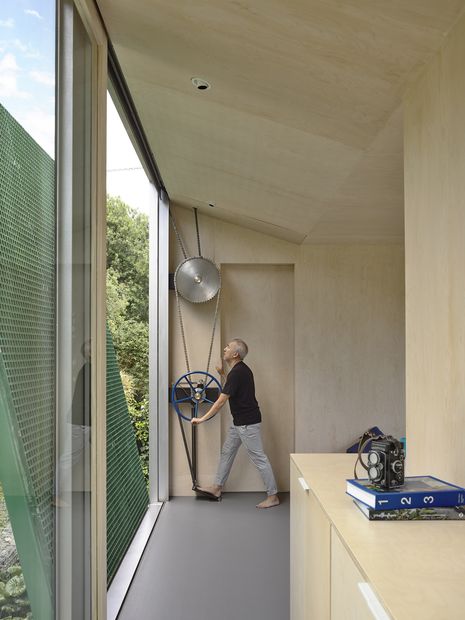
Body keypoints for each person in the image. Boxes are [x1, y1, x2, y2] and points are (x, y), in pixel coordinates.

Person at [191, 338, 279, 509]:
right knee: (227, 452)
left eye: (228, 347)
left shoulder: (238, 372)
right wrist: (222, 374)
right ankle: (217, 487)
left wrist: (202, 419)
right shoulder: (239, 371)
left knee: (259, 458)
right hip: (239, 422)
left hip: (247, 424)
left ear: (235, 354)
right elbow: (233, 387)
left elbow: (221, 401)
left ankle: (273, 495)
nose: (225, 349)